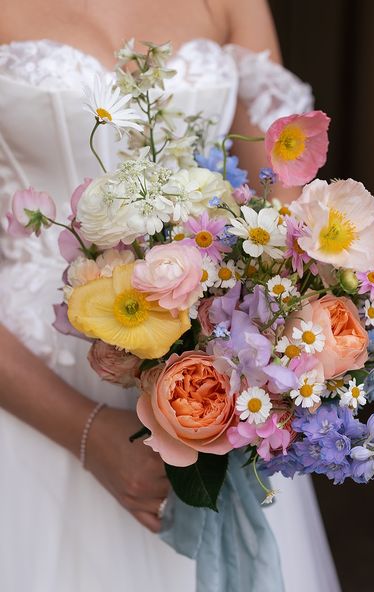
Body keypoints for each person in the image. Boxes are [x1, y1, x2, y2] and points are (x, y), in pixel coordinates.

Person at [0, 0, 341, 590]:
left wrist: (258, 338)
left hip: (215, 368)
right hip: (33, 383)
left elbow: (288, 213)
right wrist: (89, 434)